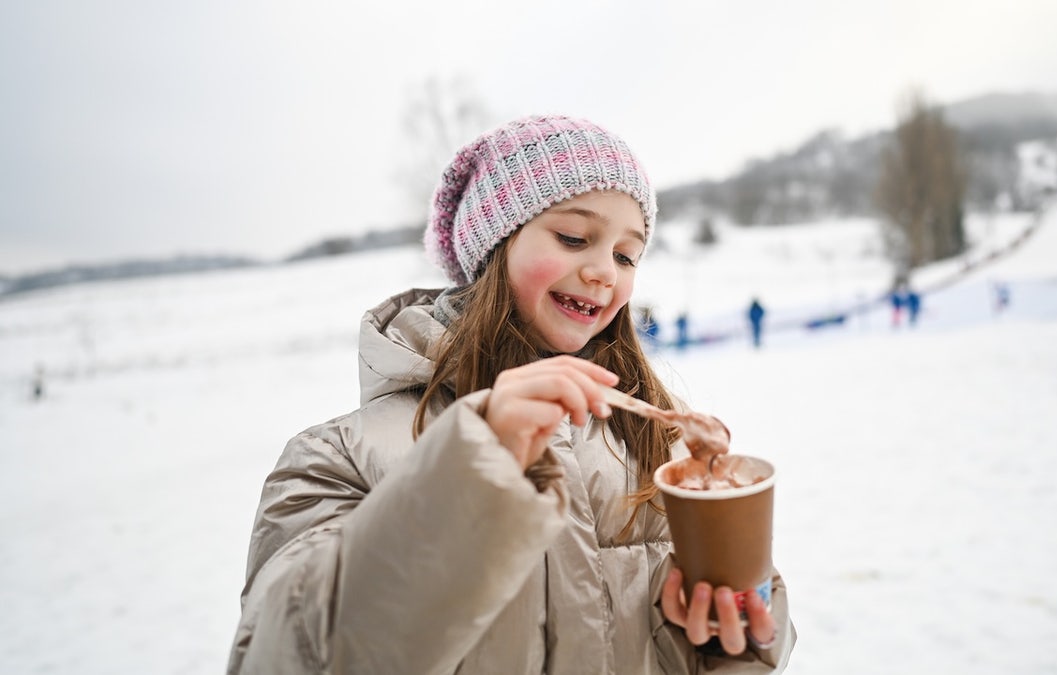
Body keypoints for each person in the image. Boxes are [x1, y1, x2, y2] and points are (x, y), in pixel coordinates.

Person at [227, 115, 794, 674]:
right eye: (574, 238)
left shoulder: (656, 445)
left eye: (627, 255)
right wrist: (471, 472)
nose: (604, 271)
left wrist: (725, 643)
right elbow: (286, 656)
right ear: (494, 246)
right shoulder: (336, 459)